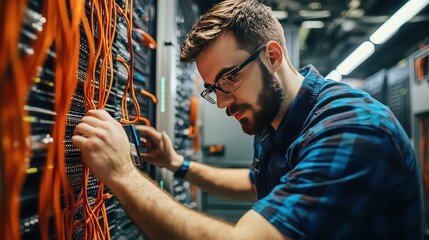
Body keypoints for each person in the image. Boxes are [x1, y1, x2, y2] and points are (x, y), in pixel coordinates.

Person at [72, 0, 422, 239]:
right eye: (213, 88)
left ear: (272, 55)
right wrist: (176, 163)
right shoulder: (277, 118)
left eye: (229, 79)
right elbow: (254, 181)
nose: (222, 102)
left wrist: (121, 173)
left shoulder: (353, 130)